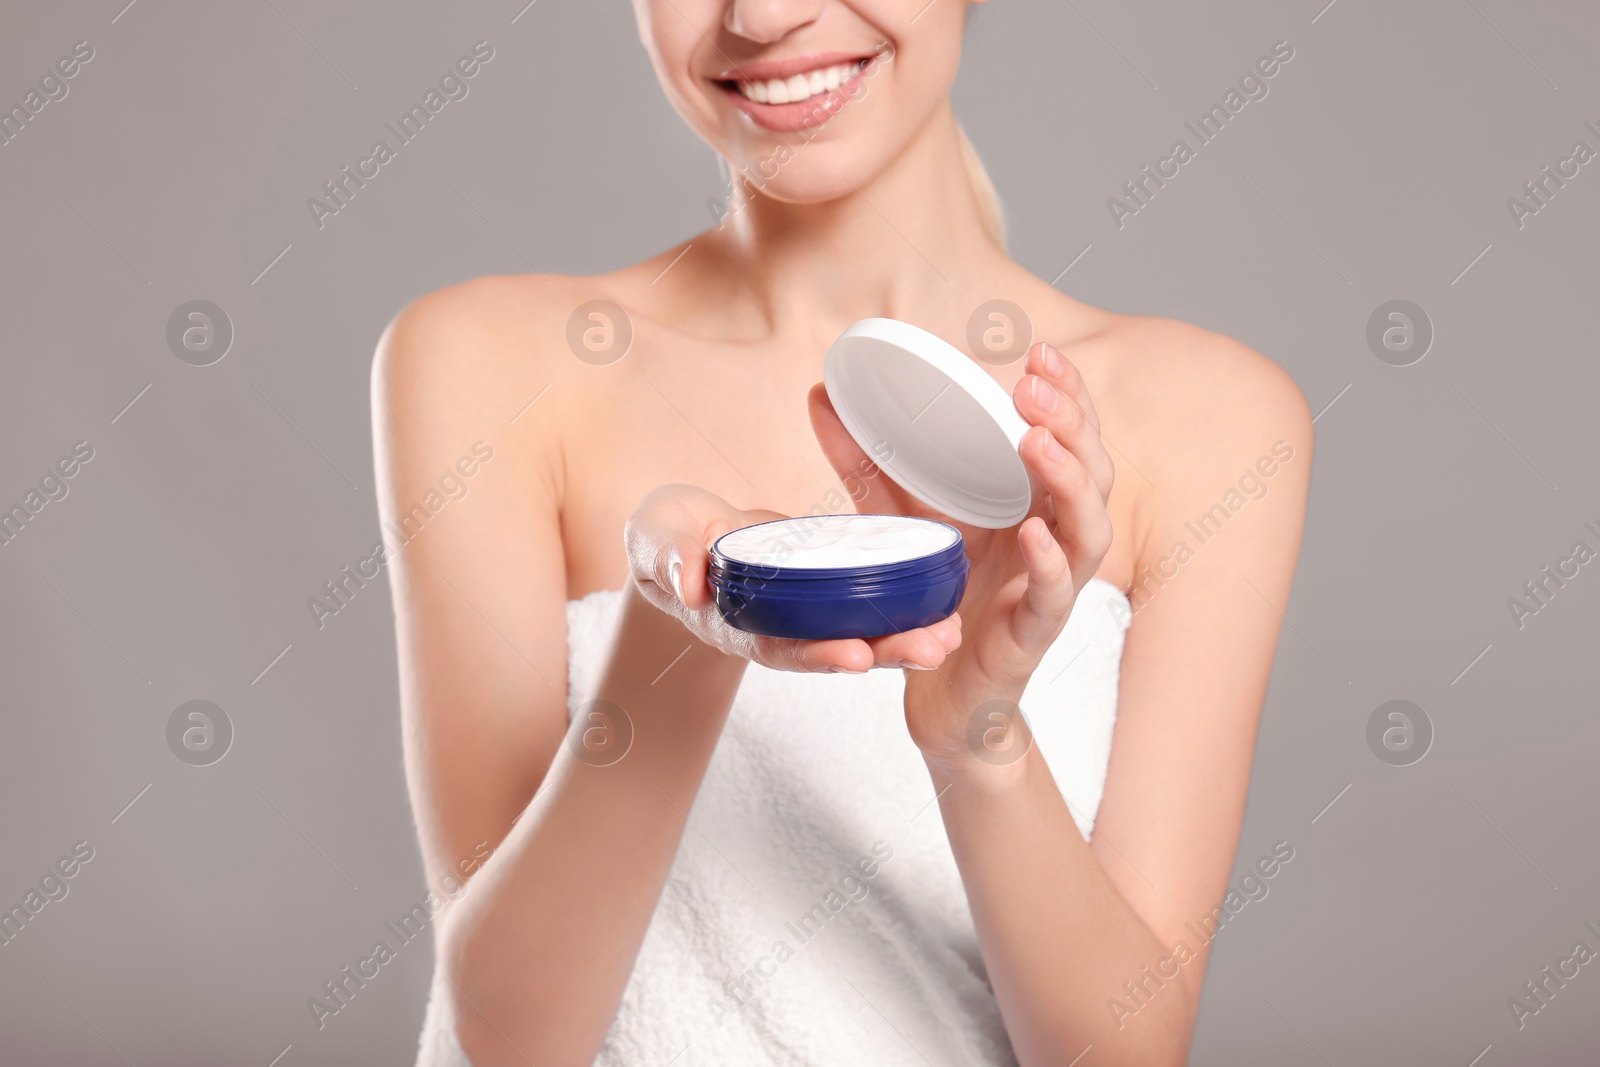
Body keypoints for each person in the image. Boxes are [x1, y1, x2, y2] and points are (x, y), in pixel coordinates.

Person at [374, 2, 1311, 1064]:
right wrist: (679, 625)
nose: (766, 15)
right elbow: (506, 1039)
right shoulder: (491, 367)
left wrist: (975, 733)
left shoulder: (1209, 418)